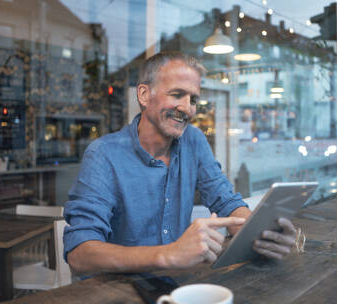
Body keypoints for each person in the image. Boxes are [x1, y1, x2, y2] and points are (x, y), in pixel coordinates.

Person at [63, 52, 297, 274]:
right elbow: (79, 254)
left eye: (193, 99)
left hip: (178, 283)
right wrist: (168, 254)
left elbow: (226, 202)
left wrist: (263, 235)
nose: (187, 108)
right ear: (144, 94)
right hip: (114, 290)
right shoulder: (104, 154)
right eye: (176, 95)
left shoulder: (193, 141)